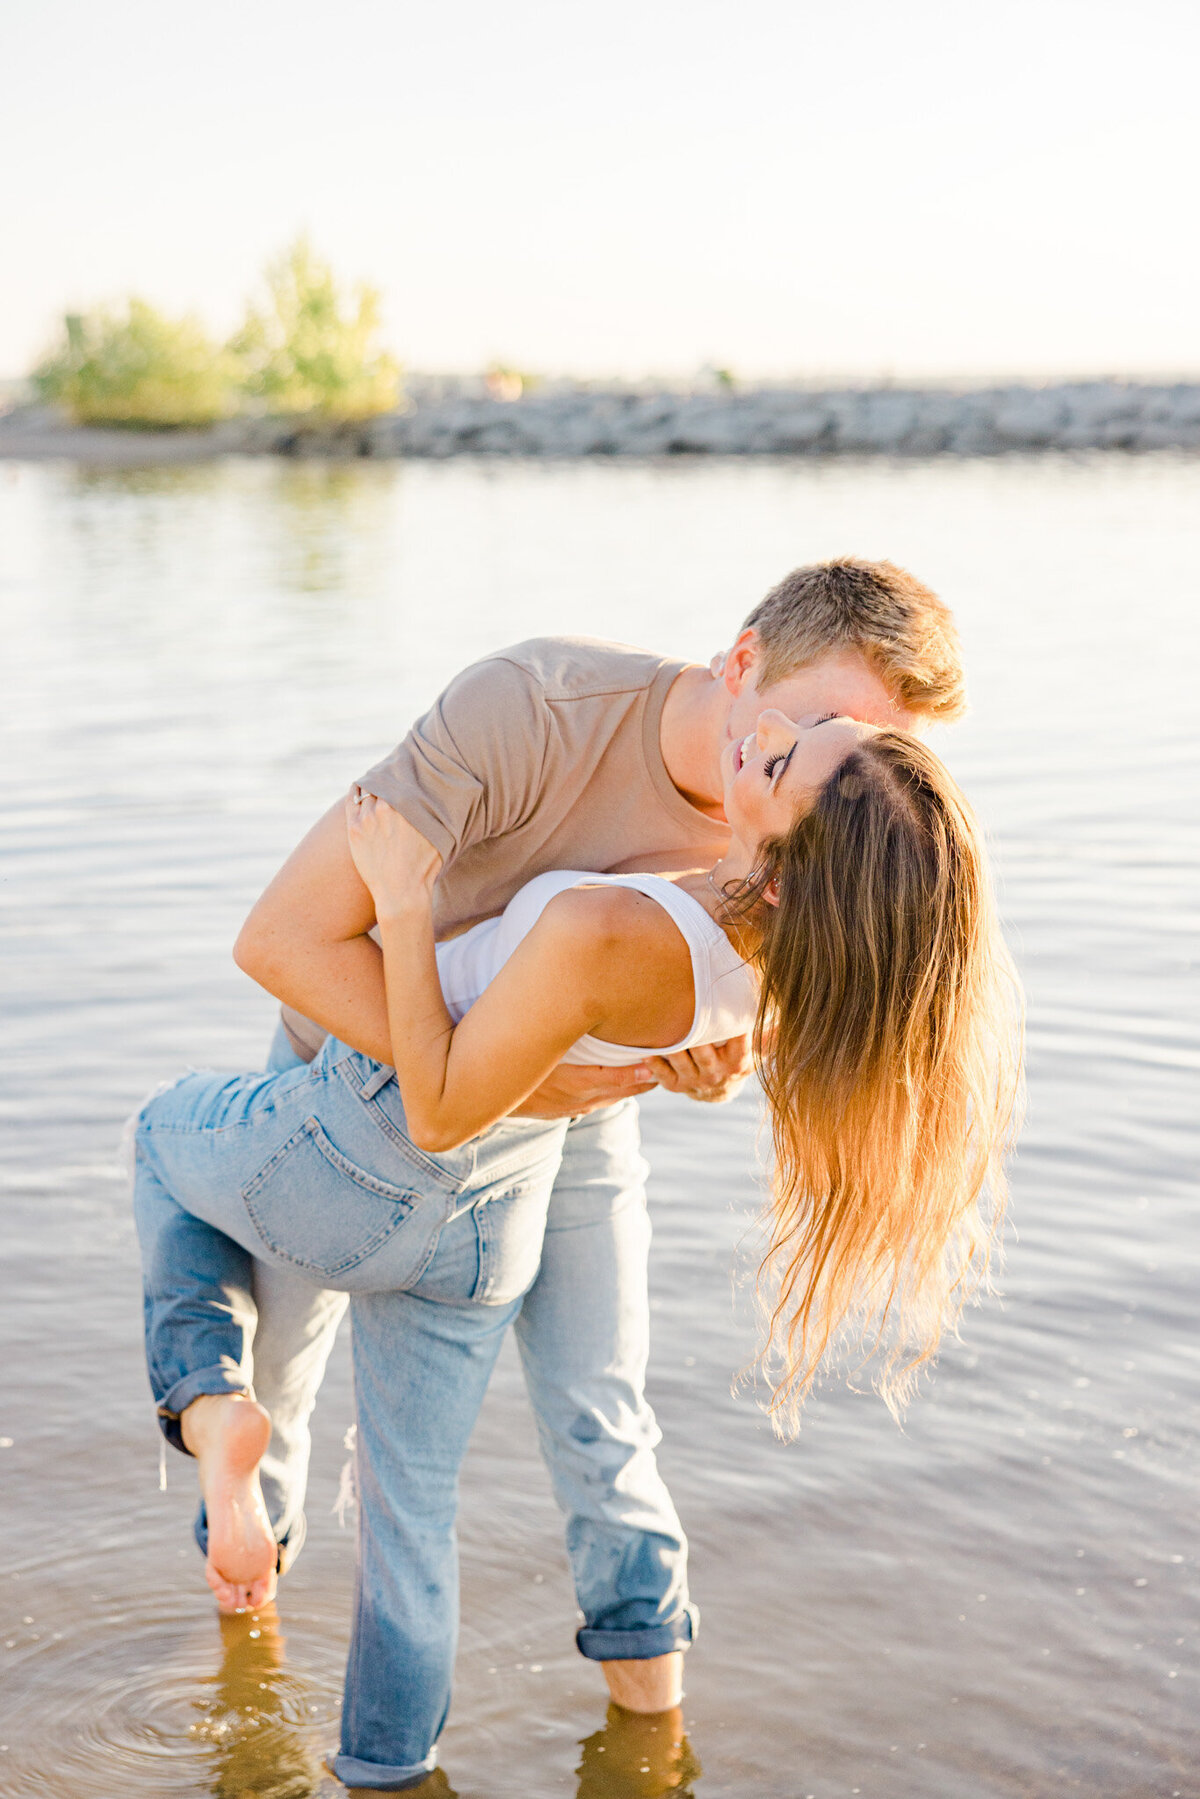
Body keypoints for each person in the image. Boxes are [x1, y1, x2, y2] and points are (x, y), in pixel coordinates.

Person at [133, 704, 1021, 1789]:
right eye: (815, 719)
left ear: (792, 878)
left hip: (374, 1140)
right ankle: (388, 1767)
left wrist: (406, 906)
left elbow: (440, 1106)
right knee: (409, 1516)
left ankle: (212, 1400)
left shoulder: (607, 930)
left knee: (156, 1134)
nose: (764, 727)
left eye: (785, 756)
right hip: (496, 1215)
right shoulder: (784, 967)